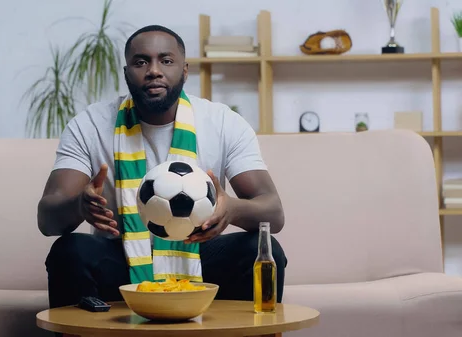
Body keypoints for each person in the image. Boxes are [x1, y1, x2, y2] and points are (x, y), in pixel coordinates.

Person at [38, 24, 287, 311]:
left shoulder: (222, 122)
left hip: (199, 251)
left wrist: (231, 208)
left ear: (184, 70)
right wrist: (79, 207)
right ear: (126, 72)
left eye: (166, 61)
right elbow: (47, 219)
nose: (154, 70)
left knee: (263, 252)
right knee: (70, 251)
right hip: (122, 255)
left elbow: (274, 212)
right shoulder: (89, 124)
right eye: (141, 61)